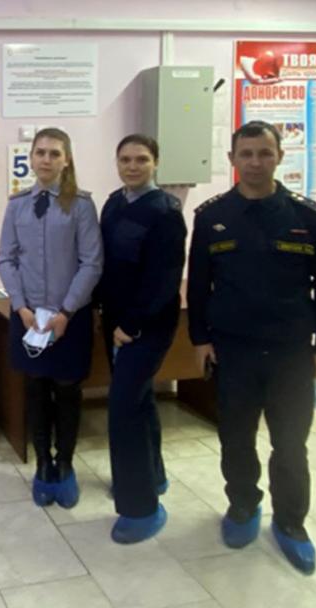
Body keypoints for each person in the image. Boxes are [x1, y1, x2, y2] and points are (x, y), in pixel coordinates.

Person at [188, 120, 316, 574]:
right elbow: (199, 285)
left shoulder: (308, 217)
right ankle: (242, 506)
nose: (255, 162)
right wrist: (200, 338)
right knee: (235, 437)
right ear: (232, 159)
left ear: (279, 157)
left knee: (290, 443)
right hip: (233, 350)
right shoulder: (212, 216)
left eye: (264, 153)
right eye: (247, 153)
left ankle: (291, 523)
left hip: (291, 352)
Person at [0, 127, 103, 509]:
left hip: (68, 318)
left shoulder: (82, 205)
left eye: (54, 153)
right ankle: (43, 465)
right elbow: (6, 259)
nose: (46, 159)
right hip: (28, 317)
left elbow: (92, 262)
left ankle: (66, 464)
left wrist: (67, 310)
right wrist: (21, 307)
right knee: (36, 389)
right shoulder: (18, 205)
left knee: (68, 391)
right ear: (31, 157)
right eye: (40, 152)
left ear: (66, 159)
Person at [97, 134, 187, 543]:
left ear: (156, 163)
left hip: (145, 327)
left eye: (141, 159)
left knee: (122, 411)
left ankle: (141, 508)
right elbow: (107, 264)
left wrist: (131, 325)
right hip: (115, 322)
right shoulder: (114, 204)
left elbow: (163, 280)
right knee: (139, 398)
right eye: (125, 159)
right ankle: (154, 475)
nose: (132, 166)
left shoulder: (165, 211)